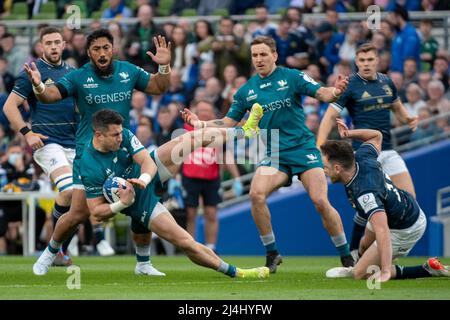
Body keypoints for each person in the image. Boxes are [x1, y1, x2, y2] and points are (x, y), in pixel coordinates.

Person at [182, 36, 353, 273]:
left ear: (275, 55)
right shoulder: (246, 91)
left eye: (263, 54)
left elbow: (322, 93)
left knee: (320, 201)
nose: (259, 59)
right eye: (254, 55)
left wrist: (336, 90)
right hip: (274, 152)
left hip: (303, 148)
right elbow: (229, 122)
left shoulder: (291, 77)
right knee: (256, 194)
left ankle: (346, 256)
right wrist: (201, 124)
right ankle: (272, 253)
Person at [27, 29, 171, 276]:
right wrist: (39, 84)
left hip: (123, 149)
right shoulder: (79, 76)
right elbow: (50, 96)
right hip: (88, 153)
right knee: (79, 212)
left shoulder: (128, 71)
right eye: (96, 49)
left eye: (106, 47)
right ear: (89, 52)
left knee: (142, 198)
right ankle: (50, 253)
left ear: (112, 48)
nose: (102, 53)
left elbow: (159, 87)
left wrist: (165, 66)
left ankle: (143, 264)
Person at [81, 109, 268, 279]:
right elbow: (96, 212)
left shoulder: (125, 135)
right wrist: (123, 203)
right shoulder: (89, 165)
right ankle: (237, 272)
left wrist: (144, 180)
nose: (120, 137)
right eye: (115, 135)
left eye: (121, 132)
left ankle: (245, 131)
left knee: (189, 139)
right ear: (99, 135)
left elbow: (148, 161)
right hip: (138, 201)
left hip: (147, 174)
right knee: (186, 242)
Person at [316, 43, 419, 258]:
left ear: (377, 61)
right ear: (356, 62)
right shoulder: (351, 85)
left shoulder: (387, 82)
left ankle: (376, 250)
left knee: (409, 199)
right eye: (362, 60)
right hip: (364, 153)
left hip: (388, 150)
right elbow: (329, 116)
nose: (366, 64)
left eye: (370, 60)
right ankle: (356, 250)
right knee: (370, 202)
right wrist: (319, 146)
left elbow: (398, 110)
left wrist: (408, 118)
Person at [320, 118, 449, 282]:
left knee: (361, 274)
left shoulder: (365, 193)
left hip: (405, 227)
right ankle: (362, 264)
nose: (324, 170)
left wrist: (386, 270)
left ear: (338, 168)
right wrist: (348, 134)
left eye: (326, 166)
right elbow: (376, 136)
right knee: (364, 245)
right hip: (397, 207)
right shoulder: (361, 156)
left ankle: (427, 269)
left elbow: (383, 231)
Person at [3, 27, 79, 265]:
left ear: (64, 45)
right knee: (68, 190)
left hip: (74, 143)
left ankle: (59, 250)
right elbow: (9, 107)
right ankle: (55, 250)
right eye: (49, 43)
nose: (54, 47)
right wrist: (27, 133)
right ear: (41, 47)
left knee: (79, 202)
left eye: (57, 42)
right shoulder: (31, 71)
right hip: (48, 143)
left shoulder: (72, 73)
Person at [181, 100, 243, 252]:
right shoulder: (186, 129)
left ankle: (211, 247)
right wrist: (174, 177)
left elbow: (225, 154)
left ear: (212, 113)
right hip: (190, 176)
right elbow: (178, 153)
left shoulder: (216, 131)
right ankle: (191, 246)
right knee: (191, 213)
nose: (204, 113)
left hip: (211, 177)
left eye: (207, 110)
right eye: (201, 110)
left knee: (211, 213)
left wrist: (237, 178)